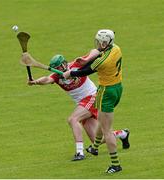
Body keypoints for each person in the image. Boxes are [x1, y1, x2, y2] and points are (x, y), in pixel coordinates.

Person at [24, 52, 129, 162]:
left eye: (59, 66)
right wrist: (35, 82)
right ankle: (122, 134)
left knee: (73, 119)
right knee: (96, 140)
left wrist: (89, 57)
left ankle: (79, 152)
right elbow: (46, 79)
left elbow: (94, 53)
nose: (58, 69)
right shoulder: (56, 76)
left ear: (64, 64)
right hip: (82, 103)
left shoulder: (75, 65)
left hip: (92, 97)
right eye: (55, 68)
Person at [63, 29, 124, 173]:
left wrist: (71, 72)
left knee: (106, 130)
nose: (98, 44)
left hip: (106, 92)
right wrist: (85, 60)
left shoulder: (102, 61)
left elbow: (86, 71)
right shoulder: (116, 48)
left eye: (101, 42)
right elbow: (95, 52)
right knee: (102, 120)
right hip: (118, 88)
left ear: (106, 42)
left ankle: (115, 164)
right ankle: (95, 147)